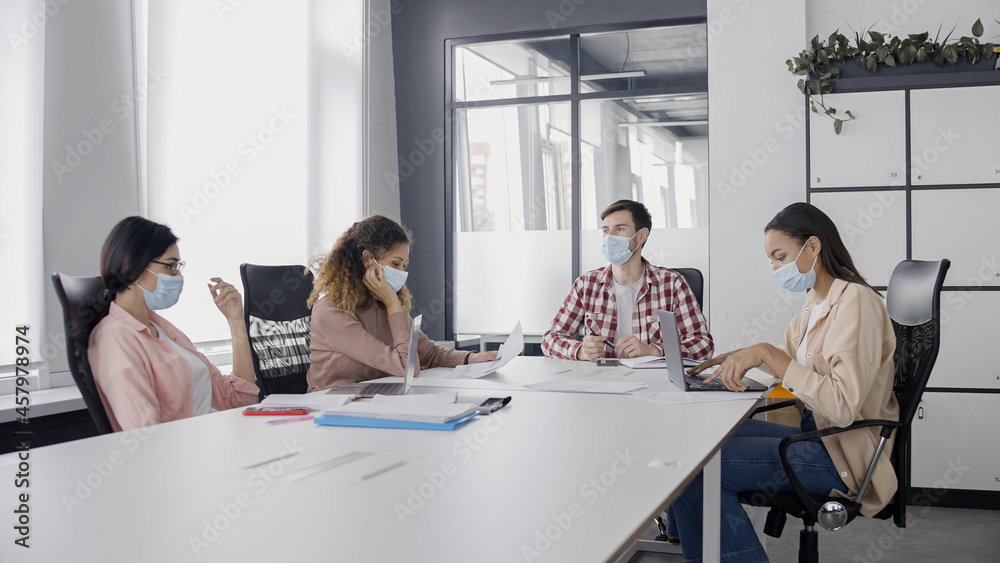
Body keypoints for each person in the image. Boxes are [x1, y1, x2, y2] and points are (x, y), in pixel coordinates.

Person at [669, 202, 899, 563]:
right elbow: (784, 358)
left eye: (780, 256)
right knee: (693, 449)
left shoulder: (856, 302)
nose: (776, 268)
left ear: (813, 246)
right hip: (819, 436)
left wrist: (769, 355)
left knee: (698, 469)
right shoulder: (816, 301)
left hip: (842, 455)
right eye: (772, 260)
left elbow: (842, 405)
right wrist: (734, 362)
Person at [89, 217, 260, 431]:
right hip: (195, 454)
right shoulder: (115, 338)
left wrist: (235, 321)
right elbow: (146, 435)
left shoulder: (163, 329)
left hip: (224, 436)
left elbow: (240, 401)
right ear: (134, 265)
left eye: (178, 266)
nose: (178, 275)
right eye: (170, 266)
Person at [306, 215, 496, 391]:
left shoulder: (380, 303)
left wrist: (471, 358)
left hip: (375, 399)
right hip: (330, 407)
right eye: (396, 264)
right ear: (367, 259)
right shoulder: (331, 312)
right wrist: (393, 304)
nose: (402, 272)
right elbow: (408, 368)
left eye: (404, 265)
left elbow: (429, 354)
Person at [541, 199, 713, 361]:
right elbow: (550, 339)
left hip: (652, 384)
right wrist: (580, 351)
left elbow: (703, 345)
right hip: (600, 383)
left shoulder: (672, 283)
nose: (610, 237)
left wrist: (654, 351)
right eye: (606, 230)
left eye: (620, 229)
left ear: (641, 236)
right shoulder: (586, 284)